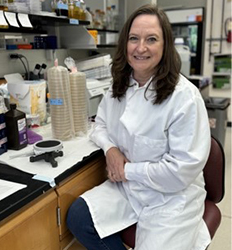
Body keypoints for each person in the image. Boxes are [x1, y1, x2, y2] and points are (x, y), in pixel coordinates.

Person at [66, 4, 211, 250]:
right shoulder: (118, 86)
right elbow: (99, 125)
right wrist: (110, 149)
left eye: (151, 39)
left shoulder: (184, 97)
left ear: (165, 46)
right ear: (125, 44)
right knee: (79, 217)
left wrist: (126, 171)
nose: (140, 47)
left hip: (171, 197)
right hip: (127, 189)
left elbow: (179, 172)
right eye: (134, 38)